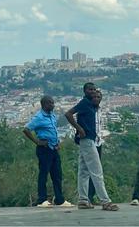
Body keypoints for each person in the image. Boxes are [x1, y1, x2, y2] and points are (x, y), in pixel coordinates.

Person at [65, 83, 119, 211]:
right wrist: (79, 129)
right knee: (97, 171)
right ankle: (105, 201)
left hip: (89, 140)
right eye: (90, 90)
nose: (93, 92)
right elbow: (68, 114)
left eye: (94, 89)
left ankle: (83, 199)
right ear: (85, 91)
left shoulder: (92, 106)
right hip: (87, 140)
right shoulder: (84, 103)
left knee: (83, 171)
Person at [23, 95, 74, 208]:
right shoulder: (39, 117)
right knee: (44, 174)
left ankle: (59, 199)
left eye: (53, 103)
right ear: (44, 104)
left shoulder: (52, 116)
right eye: (50, 103)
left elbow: (53, 131)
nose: (52, 105)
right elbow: (26, 129)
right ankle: (42, 199)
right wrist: (37, 141)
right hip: (44, 149)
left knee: (57, 175)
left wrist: (56, 143)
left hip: (53, 148)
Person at [88, 90, 104, 205]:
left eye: (99, 97)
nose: (96, 98)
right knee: (90, 171)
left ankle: (92, 196)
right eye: (94, 97)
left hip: (99, 142)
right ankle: (88, 197)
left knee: (97, 170)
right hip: (90, 143)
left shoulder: (100, 110)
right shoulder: (88, 110)